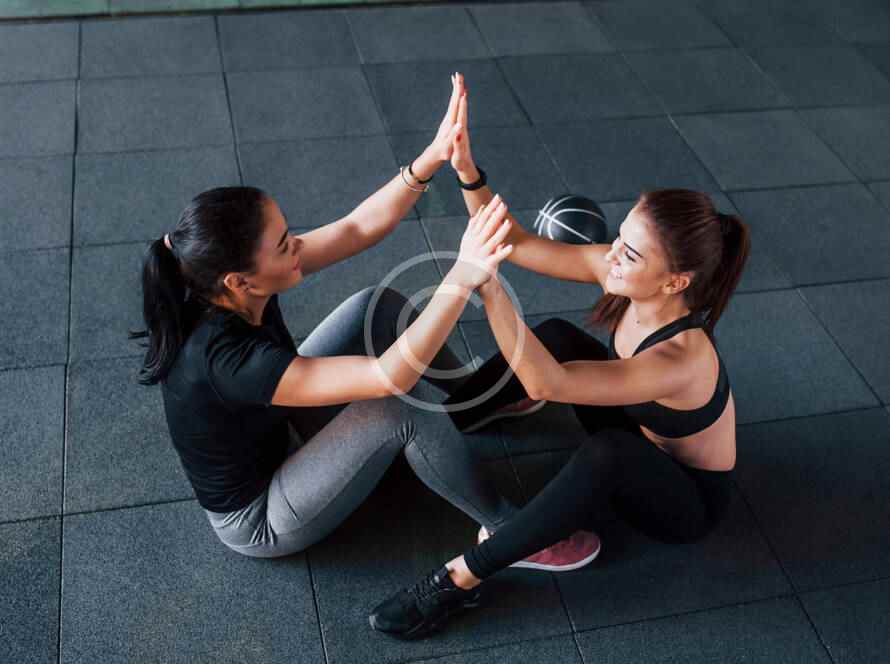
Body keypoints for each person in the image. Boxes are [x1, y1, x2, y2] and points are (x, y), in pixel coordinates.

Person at [370, 74, 751, 640]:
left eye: (630, 254)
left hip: (682, 500)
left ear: (675, 282)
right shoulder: (627, 276)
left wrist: (488, 287)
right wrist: (467, 171)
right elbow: (517, 242)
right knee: (556, 335)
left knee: (608, 454)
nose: (611, 256)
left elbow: (545, 383)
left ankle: (460, 580)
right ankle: (440, 428)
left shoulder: (680, 358)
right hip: (639, 428)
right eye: (619, 239)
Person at [131, 75, 521, 559]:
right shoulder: (227, 359)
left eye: (288, 233)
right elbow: (388, 376)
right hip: (261, 515)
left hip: (279, 421)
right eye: (283, 245)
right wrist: (463, 275)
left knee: (374, 307)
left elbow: (356, 228)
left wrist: (433, 157)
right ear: (239, 281)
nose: (297, 245)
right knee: (397, 404)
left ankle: (475, 398)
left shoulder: (222, 284)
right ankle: (511, 532)